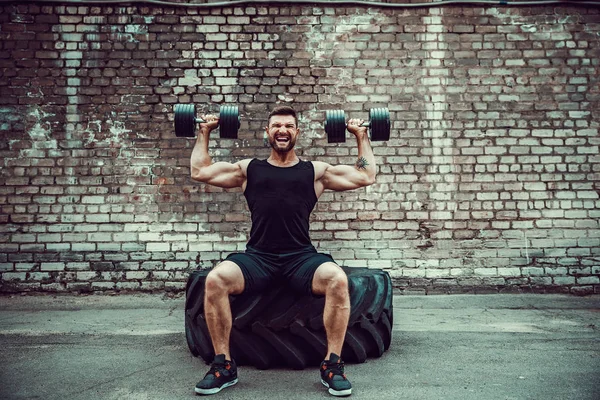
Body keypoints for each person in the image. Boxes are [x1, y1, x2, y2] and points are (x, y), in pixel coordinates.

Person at [189, 105, 376, 397]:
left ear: (297, 132)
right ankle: (223, 365)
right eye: (276, 125)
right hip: (258, 257)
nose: (282, 131)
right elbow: (200, 170)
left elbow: (365, 176)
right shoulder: (249, 169)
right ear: (268, 131)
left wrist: (361, 135)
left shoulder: (315, 172)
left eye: (288, 126)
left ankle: (332, 365)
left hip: (300, 257)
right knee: (215, 280)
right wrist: (204, 131)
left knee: (337, 280)